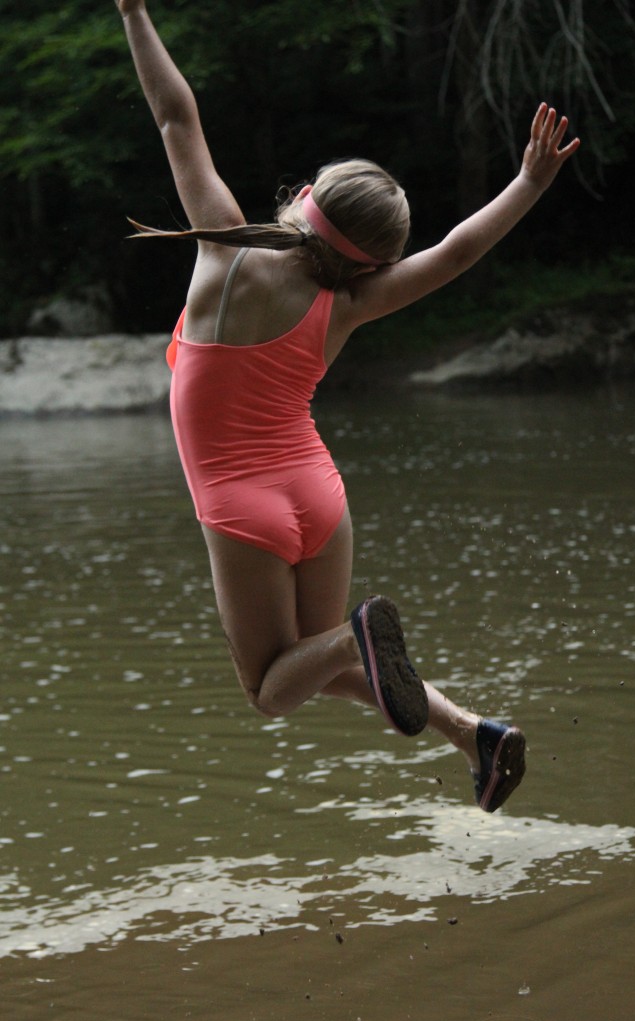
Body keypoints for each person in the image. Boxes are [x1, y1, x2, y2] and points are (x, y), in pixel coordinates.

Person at [116, 0, 580, 814]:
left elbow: (172, 114)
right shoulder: (351, 304)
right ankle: (477, 734)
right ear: (373, 260)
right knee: (326, 665)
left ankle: (356, 629)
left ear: (303, 195)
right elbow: (459, 251)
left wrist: (132, 9)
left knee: (270, 687)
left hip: (243, 502)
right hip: (317, 495)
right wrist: (529, 182)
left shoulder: (224, 242)